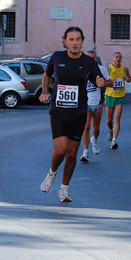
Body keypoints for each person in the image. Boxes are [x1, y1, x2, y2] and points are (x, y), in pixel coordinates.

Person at [39, 27, 106, 202]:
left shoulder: (89, 62)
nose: (75, 43)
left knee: (72, 153)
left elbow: (100, 81)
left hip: (78, 112)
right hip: (59, 110)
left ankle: (64, 188)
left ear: (82, 41)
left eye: (78, 39)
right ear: (65, 41)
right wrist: (45, 92)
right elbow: (47, 75)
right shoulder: (57, 57)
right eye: (71, 39)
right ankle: (52, 173)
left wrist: (102, 82)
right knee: (61, 149)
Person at [80, 49, 112, 163]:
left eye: (92, 58)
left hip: (97, 102)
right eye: (87, 57)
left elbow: (111, 83)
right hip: (85, 102)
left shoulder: (101, 69)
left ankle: (95, 139)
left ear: (96, 59)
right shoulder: (81, 69)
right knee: (86, 127)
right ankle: (85, 152)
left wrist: (103, 84)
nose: (90, 60)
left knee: (96, 129)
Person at [105, 51, 131, 149]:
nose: (118, 59)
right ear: (113, 58)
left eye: (120, 57)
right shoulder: (108, 69)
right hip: (109, 96)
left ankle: (114, 141)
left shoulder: (125, 69)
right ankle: (111, 130)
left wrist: (128, 78)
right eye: (116, 57)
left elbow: (128, 79)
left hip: (120, 96)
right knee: (108, 120)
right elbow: (105, 82)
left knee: (117, 118)